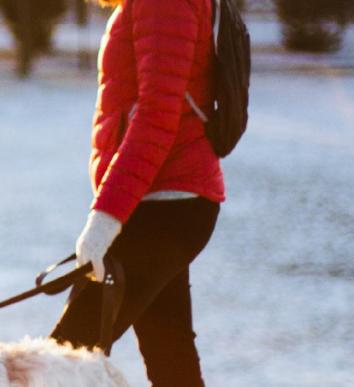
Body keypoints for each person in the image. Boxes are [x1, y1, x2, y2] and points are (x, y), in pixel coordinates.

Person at [49, 0, 224, 386]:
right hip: (161, 202)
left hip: (165, 207)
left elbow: (156, 115)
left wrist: (106, 217)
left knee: (61, 361)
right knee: (170, 355)